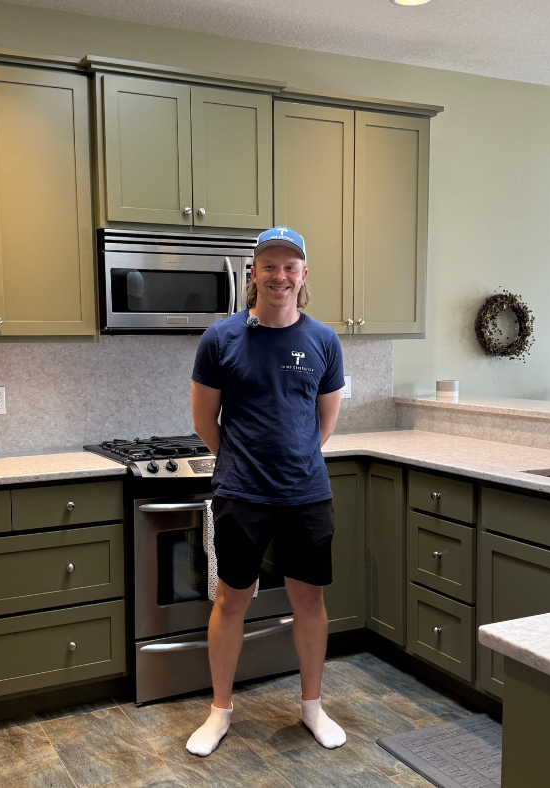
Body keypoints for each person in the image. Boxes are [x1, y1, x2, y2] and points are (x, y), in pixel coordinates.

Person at [186, 226, 346, 757]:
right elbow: (204, 420)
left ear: (303, 275)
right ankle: (220, 711)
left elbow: (324, 423)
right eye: (270, 266)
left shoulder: (324, 341)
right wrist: (244, 459)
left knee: (309, 600)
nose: (280, 276)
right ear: (253, 272)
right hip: (242, 493)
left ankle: (312, 707)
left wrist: (293, 458)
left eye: (289, 267)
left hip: (306, 493)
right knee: (231, 598)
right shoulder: (221, 339)